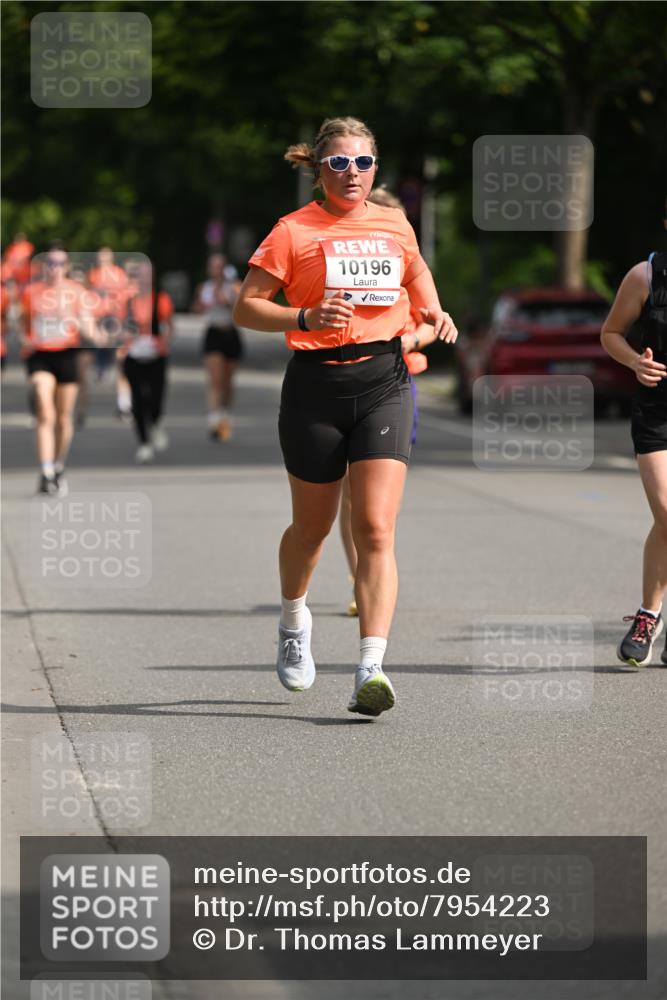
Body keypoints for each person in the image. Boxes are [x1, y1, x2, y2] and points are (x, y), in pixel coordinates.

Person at [233, 117, 457, 716]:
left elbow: (414, 270)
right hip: (315, 386)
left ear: (375, 169)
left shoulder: (393, 222)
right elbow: (247, 307)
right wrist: (303, 319)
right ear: (320, 169)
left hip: (385, 379)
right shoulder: (293, 231)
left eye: (362, 163)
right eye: (339, 163)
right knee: (311, 531)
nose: (352, 173)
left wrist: (433, 309)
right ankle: (292, 619)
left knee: (377, 528)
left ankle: (370, 667)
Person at [338, 185, 438, 616]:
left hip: (397, 382)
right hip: (344, 380)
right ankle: (357, 574)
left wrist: (409, 338)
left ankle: (374, 567)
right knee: (347, 494)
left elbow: (433, 320)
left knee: (378, 498)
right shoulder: (344, 265)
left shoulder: (407, 268)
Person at [601, 245, 667, 668]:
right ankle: (650, 615)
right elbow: (611, 334)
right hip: (657, 410)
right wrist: (634, 364)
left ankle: (649, 613)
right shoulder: (645, 276)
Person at [21, 243, 99, 496]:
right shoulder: (31, 292)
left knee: (64, 418)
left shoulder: (77, 293)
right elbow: (23, 324)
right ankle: (45, 471)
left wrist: (72, 318)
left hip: (67, 355)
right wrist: (25, 339)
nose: (54, 268)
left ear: (66, 267)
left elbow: (92, 333)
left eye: (59, 263)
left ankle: (57, 465)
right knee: (46, 412)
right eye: (49, 263)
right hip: (40, 355)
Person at [119, 261, 174, 463]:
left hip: (156, 356)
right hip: (134, 355)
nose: (143, 279)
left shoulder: (161, 299)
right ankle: (144, 443)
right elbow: (121, 327)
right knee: (138, 400)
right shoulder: (129, 301)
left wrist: (164, 342)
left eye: (147, 275)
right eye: (140, 275)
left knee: (156, 397)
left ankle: (157, 422)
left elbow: (169, 327)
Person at [193, 253, 242, 441]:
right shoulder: (203, 288)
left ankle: (225, 415)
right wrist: (203, 304)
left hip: (230, 334)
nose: (216, 270)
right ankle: (213, 418)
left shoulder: (234, 287)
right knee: (215, 379)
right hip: (212, 334)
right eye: (213, 266)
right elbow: (196, 308)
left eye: (220, 266)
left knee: (228, 381)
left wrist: (226, 300)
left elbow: (242, 309)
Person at [88, 247, 130, 384]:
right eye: (100, 257)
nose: (102, 260)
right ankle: (101, 368)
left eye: (105, 257)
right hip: (98, 312)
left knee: (112, 341)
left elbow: (124, 293)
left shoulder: (119, 274)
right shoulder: (94, 273)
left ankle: (111, 367)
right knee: (100, 340)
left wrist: (119, 309)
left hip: (114, 312)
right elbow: (89, 293)